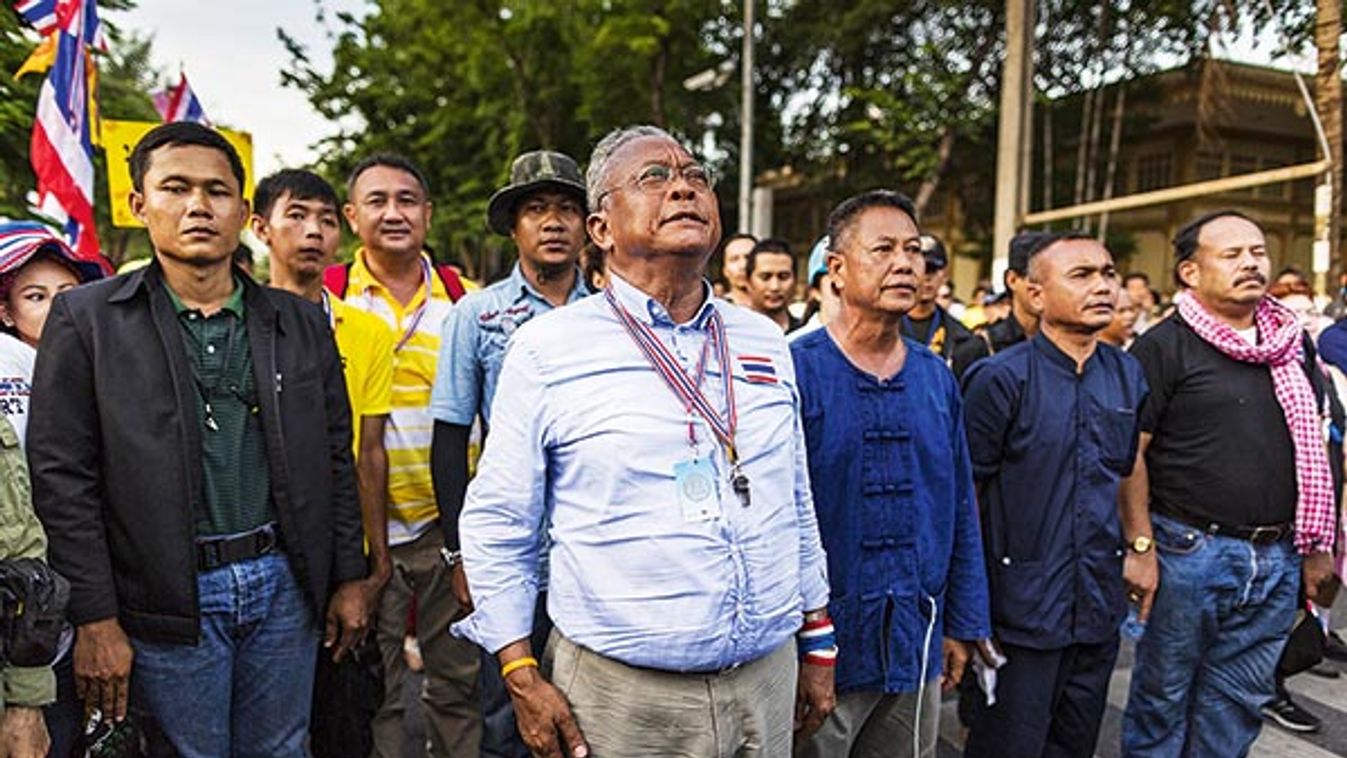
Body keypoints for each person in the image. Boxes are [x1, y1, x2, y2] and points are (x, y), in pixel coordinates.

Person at [452, 125, 834, 758]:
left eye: (695, 176)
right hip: (620, 698)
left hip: (766, 680)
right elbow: (498, 522)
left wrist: (817, 638)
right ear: (600, 230)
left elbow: (793, 497)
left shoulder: (763, 340)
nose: (683, 187)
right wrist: (518, 672)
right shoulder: (548, 349)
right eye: (653, 178)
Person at [27, 121, 368, 757]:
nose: (198, 206)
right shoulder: (90, 319)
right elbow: (61, 478)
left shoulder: (295, 321)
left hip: (282, 587)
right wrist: (95, 618)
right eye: (175, 188)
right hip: (163, 599)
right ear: (138, 204)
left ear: (243, 210)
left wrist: (349, 577)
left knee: (283, 748)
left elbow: (333, 457)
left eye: (217, 191)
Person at [1120, 210, 1336, 757]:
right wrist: (1141, 546)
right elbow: (1130, 457)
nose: (1250, 263)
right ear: (1190, 272)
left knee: (1237, 702)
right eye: (1232, 254)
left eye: (1257, 252)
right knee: (1162, 700)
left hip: (1278, 555)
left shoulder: (1293, 344)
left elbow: (1310, 443)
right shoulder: (1163, 347)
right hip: (1188, 552)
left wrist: (1317, 552)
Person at [793, 191, 989, 758]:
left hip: (916, 636)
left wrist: (962, 622)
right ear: (836, 268)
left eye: (914, 251)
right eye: (883, 250)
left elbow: (958, 508)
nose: (907, 264)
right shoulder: (795, 370)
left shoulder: (936, 378)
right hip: (822, 649)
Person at [961, 232, 1148, 758]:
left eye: (1108, 273)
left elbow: (1128, 464)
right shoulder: (1000, 378)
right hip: (1021, 609)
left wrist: (1141, 546)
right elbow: (967, 499)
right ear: (1036, 295)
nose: (1103, 286)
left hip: (1096, 602)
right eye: (1082, 275)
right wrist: (968, 611)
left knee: (1075, 743)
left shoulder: (1126, 374)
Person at [430, 149, 590, 758]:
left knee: (586, 716)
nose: (553, 223)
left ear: (588, 225)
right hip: (513, 554)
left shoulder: (611, 314)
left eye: (567, 209)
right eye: (537, 210)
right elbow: (450, 441)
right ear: (515, 227)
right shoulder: (477, 314)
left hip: (590, 553)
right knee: (507, 715)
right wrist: (459, 553)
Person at [332, 153, 481, 757]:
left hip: (451, 529)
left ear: (428, 212)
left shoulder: (467, 302)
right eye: (377, 201)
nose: (394, 213)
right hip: (367, 539)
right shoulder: (328, 300)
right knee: (382, 690)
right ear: (351, 216)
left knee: (458, 685)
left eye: (407, 200)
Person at [251, 168, 396, 755]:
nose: (313, 231)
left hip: (335, 551)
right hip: (258, 555)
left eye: (327, 220)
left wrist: (372, 564)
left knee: (339, 717)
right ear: (259, 227)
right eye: (296, 216)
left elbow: (367, 453)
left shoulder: (365, 332)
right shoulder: (230, 323)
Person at [0, 222, 102, 446]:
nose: (58, 307)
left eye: (69, 294)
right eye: (36, 296)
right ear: (5, 312)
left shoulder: (114, 366)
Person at [900, 233, 988, 379]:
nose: (926, 278)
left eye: (932, 270)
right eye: (920, 269)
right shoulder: (882, 332)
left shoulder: (964, 341)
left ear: (945, 275)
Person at [976, 231, 1046, 356]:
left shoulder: (1071, 345)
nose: (1042, 287)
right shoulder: (983, 345)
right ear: (1012, 280)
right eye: (1035, 278)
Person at [745, 237, 802, 332]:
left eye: (783, 277)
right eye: (765, 277)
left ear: (795, 280)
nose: (774, 286)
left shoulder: (805, 336)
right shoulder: (733, 335)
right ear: (748, 281)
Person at [718, 232, 756, 306]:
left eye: (749, 257)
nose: (743, 265)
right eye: (734, 259)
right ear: (725, 270)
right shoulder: (716, 311)